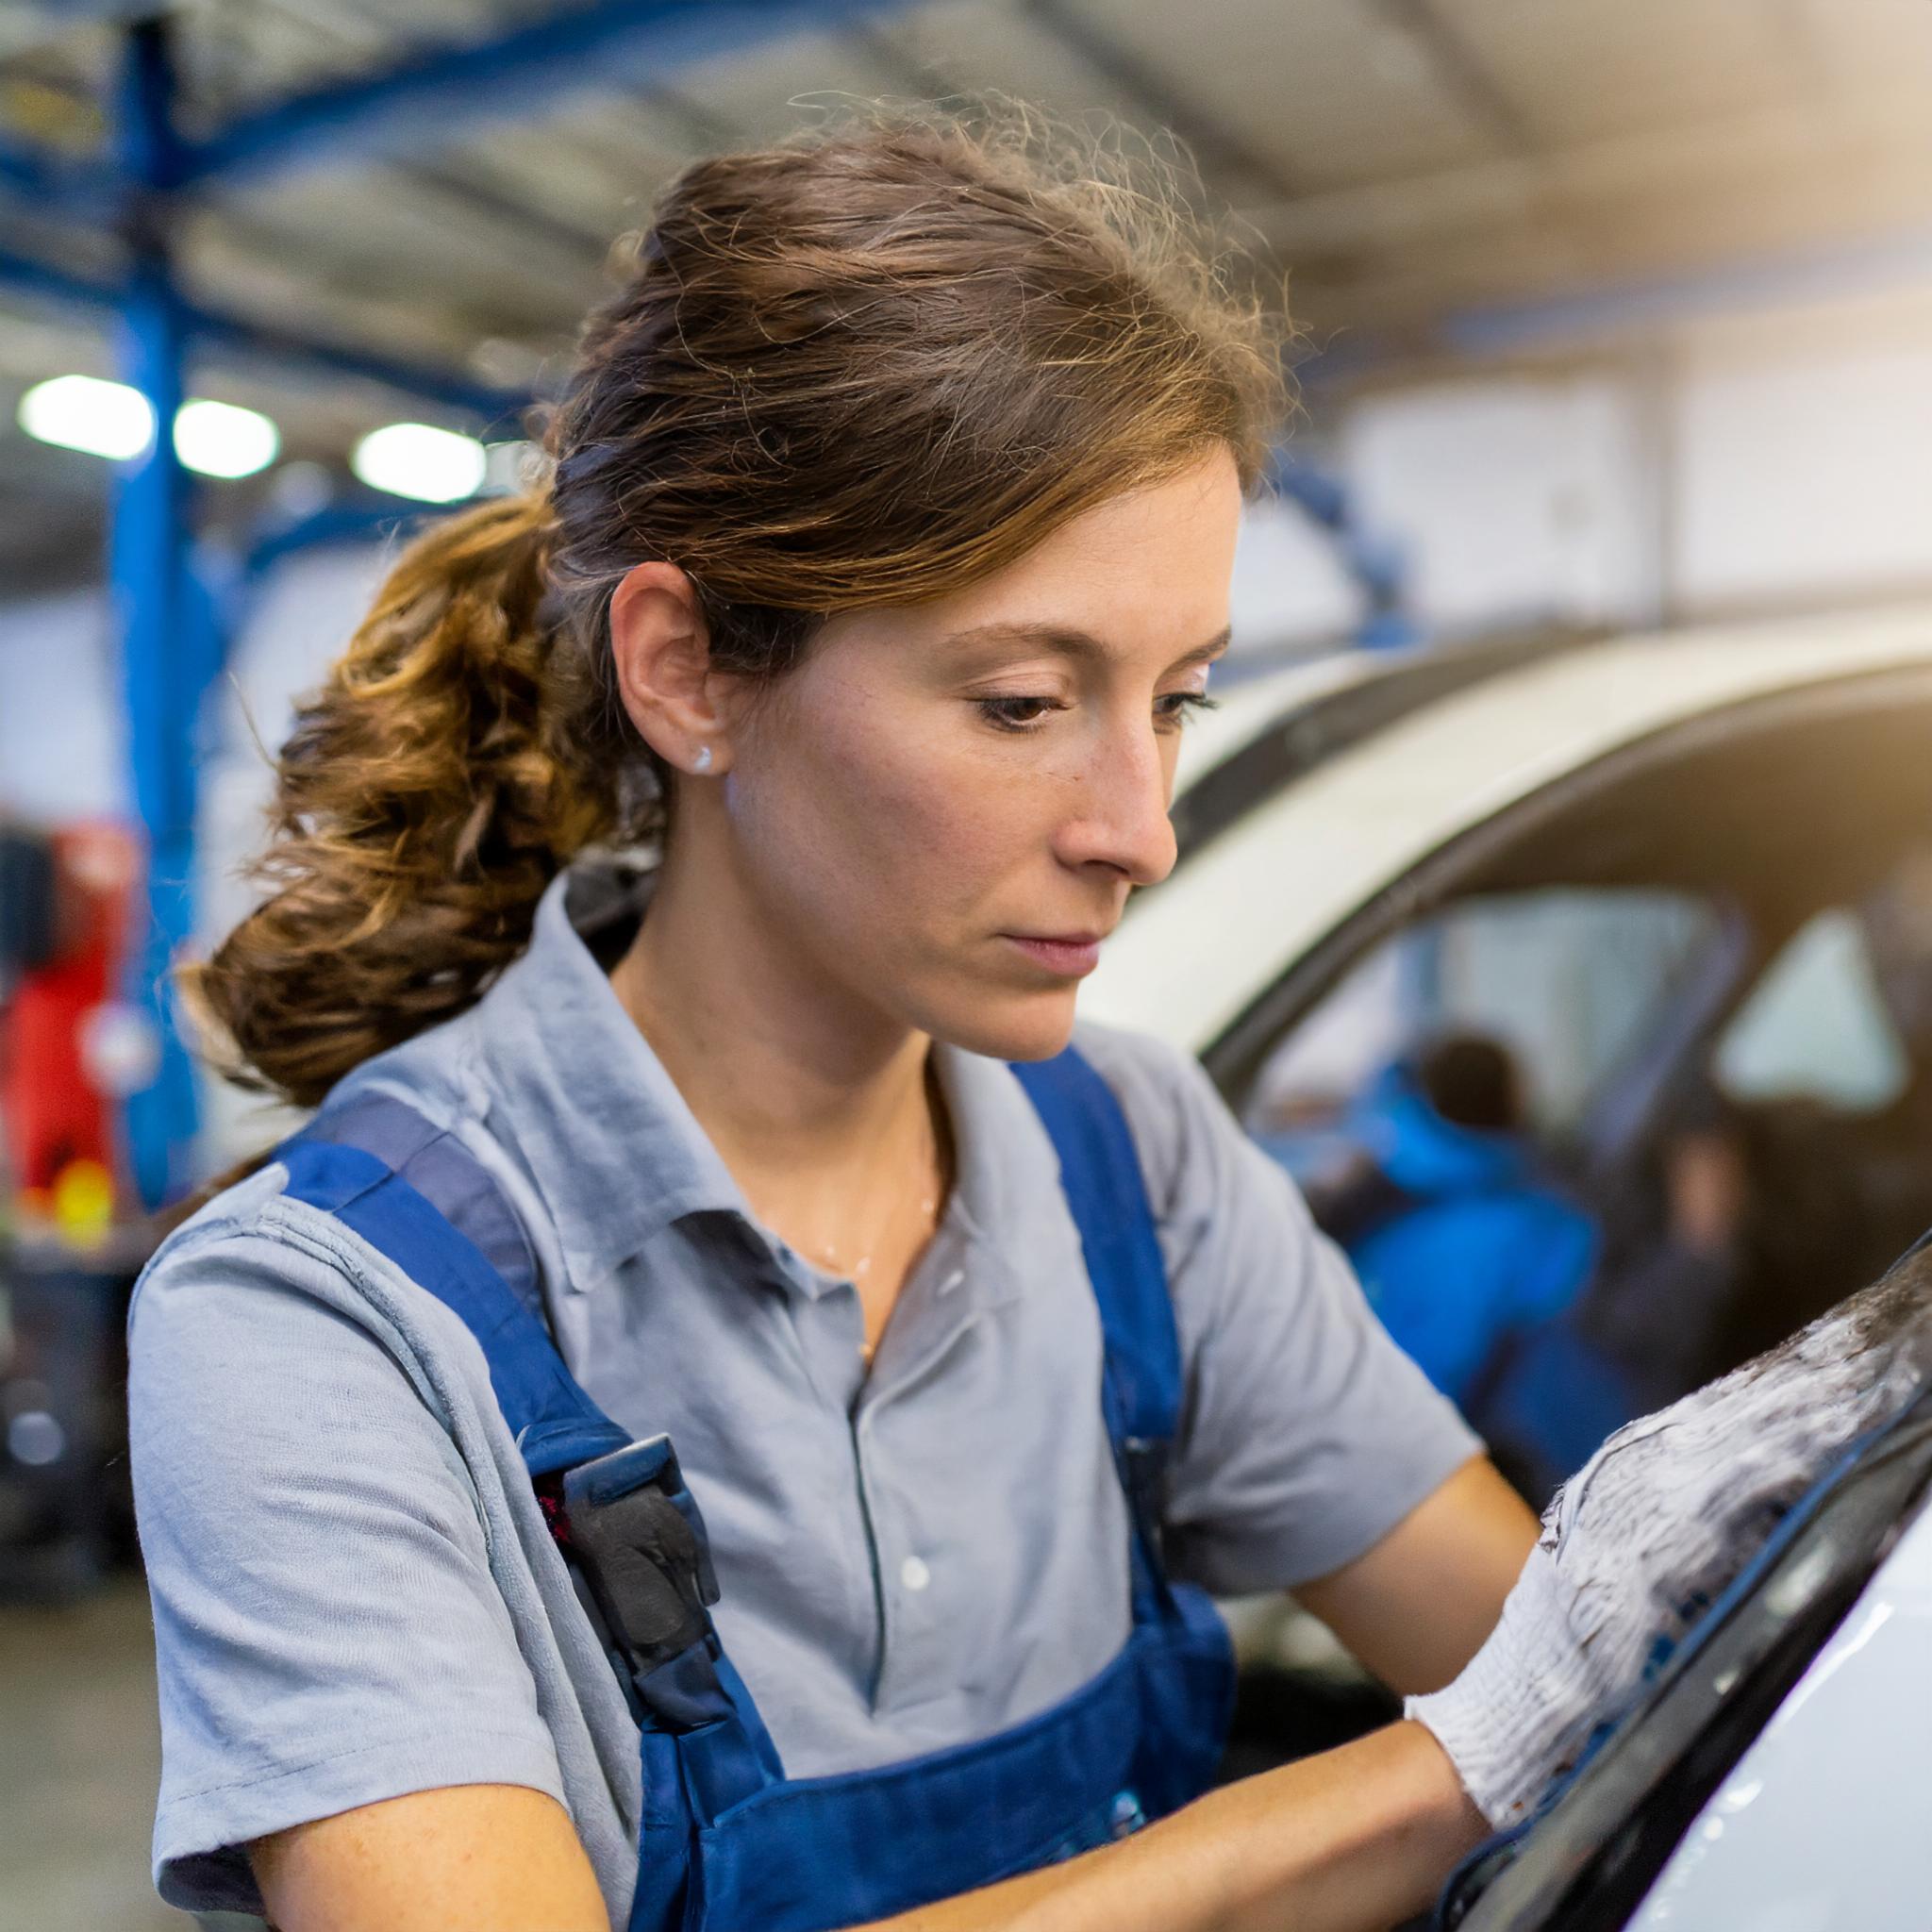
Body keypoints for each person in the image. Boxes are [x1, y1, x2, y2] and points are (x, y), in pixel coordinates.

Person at [127, 105, 1740, 1932]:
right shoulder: (321, 1322)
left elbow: (1613, 1716)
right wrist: (1454, 1767)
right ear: (686, 671)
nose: (1138, 829)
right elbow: (1530, 1715)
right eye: (1024, 701)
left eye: (1176, 701)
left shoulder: (1133, 1166)